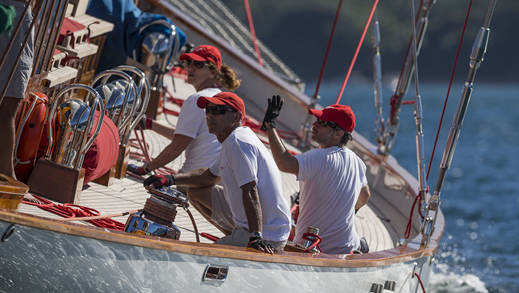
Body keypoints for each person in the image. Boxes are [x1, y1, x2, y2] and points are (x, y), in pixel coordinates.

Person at [144, 92, 291, 254]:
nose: (210, 115)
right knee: (195, 192)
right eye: (208, 110)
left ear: (236, 117)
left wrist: (255, 237)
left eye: (219, 111)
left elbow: (250, 190)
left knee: (202, 258)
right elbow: (208, 176)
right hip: (261, 222)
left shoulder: (237, 142)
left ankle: (241, 239)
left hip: (268, 233)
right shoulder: (233, 139)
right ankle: (236, 236)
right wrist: (170, 179)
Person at [261, 95, 371, 254]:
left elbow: (284, 163)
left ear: (338, 134)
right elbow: (365, 195)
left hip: (311, 248)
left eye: (322, 123)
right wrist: (345, 213)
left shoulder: (319, 157)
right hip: (347, 247)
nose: (314, 124)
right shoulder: (358, 162)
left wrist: (270, 126)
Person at [127, 45, 241, 189]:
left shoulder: (196, 99)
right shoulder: (217, 97)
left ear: (212, 73)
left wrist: (145, 169)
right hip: (214, 183)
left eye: (198, 64)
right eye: (189, 63)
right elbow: (187, 137)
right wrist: (150, 124)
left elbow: (177, 146)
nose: (191, 68)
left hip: (192, 183)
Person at [0, 0, 34, 179]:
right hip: (12, 11)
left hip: (12, 11)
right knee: (7, 106)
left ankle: (6, 174)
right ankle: (7, 175)